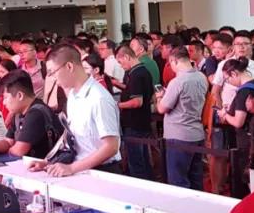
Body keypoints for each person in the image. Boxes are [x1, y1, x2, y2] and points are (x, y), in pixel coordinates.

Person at [34, 45, 122, 175]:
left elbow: (111, 147)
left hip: (103, 171)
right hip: (81, 168)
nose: (52, 78)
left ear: (69, 66)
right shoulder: (73, 96)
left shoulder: (99, 98)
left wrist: (72, 168)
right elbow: (71, 135)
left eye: (53, 72)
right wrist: (49, 161)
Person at [157, 47, 209, 190]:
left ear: (174, 61)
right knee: (196, 178)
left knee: (178, 180)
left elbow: (162, 108)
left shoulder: (177, 82)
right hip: (197, 133)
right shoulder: (201, 77)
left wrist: (160, 97)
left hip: (178, 135)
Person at [0, 71, 64, 159]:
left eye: (5, 98)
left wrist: (6, 151)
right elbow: (8, 142)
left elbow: (19, 151)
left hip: (47, 165)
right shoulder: (18, 114)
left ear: (20, 96)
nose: (4, 103)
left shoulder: (36, 113)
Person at [217, 57, 254, 198]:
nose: (228, 82)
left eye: (227, 79)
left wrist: (225, 115)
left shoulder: (243, 92)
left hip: (246, 141)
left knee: (247, 180)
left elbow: (238, 122)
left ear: (234, 74)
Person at [116, 45, 155, 180]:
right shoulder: (143, 71)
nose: (121, 66)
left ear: (127, 57)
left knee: (137, 163)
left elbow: (137, 102)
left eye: (120, 62)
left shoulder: (136, 74)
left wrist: (117, 105)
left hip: (134, 123)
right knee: (144, 160)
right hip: (142, 122)